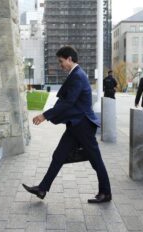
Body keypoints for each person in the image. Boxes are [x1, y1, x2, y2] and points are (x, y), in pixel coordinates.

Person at [22, 46, 112, 203]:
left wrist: (45, 115)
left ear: (70, 59)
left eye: (61, 61)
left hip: (83, 124)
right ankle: (42, 189)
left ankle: (106, 193)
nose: (60, 65)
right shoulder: (76, 74)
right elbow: (67, 101)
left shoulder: (77, 76)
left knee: (95, 159)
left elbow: (68, 102)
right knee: (59, 155)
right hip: (75, 124)